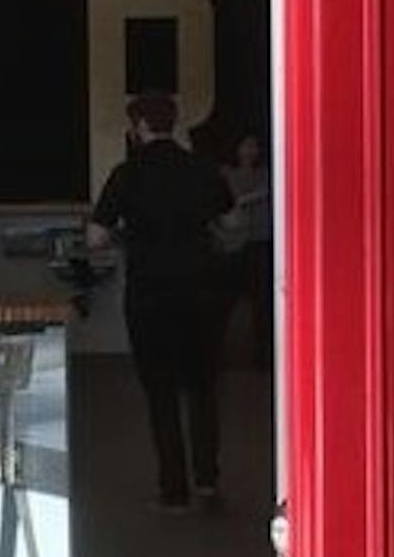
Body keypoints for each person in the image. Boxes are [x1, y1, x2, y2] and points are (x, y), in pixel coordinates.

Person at [88, 92, 233, 510]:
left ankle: (174, 490)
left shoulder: (127, 174)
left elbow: (96, 237)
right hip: (202, 291)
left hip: (150, 295)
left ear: (140, 128)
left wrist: (125, 237)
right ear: (173, 124)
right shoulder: (201, 170)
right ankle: (207, 480)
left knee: (160, 392)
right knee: (204, 388)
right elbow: (233, 221)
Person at [221, 133, 273, 370]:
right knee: (225, 302)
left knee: (262, 303)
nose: (251, 150)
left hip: (260, 242)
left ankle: (263, 355)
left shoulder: (267, 175)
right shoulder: (226, 175)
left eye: (255, 145)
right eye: (246, 145)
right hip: (233, 245)